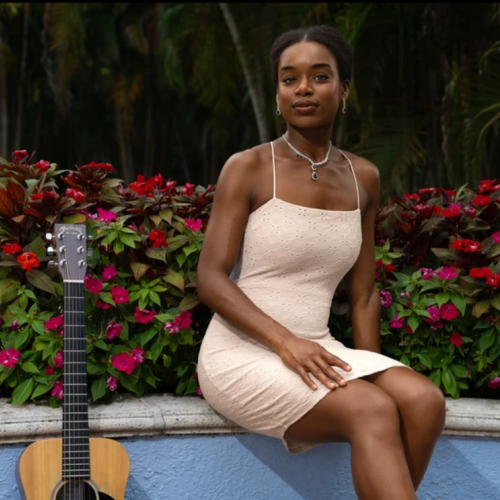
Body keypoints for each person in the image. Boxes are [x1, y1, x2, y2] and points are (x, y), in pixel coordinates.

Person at [196, 25, 446, 500]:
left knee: (423, 401)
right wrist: (287, 343)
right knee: (370, 410)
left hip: (319, 346)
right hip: (244, 352)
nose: (304, 88)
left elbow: (364, 293)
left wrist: (372, 367)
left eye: (319, 76)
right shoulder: (248, 166)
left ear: (344, 89)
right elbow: (210, 278)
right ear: (277, 94)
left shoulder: (363, 177)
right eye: (290, 79)